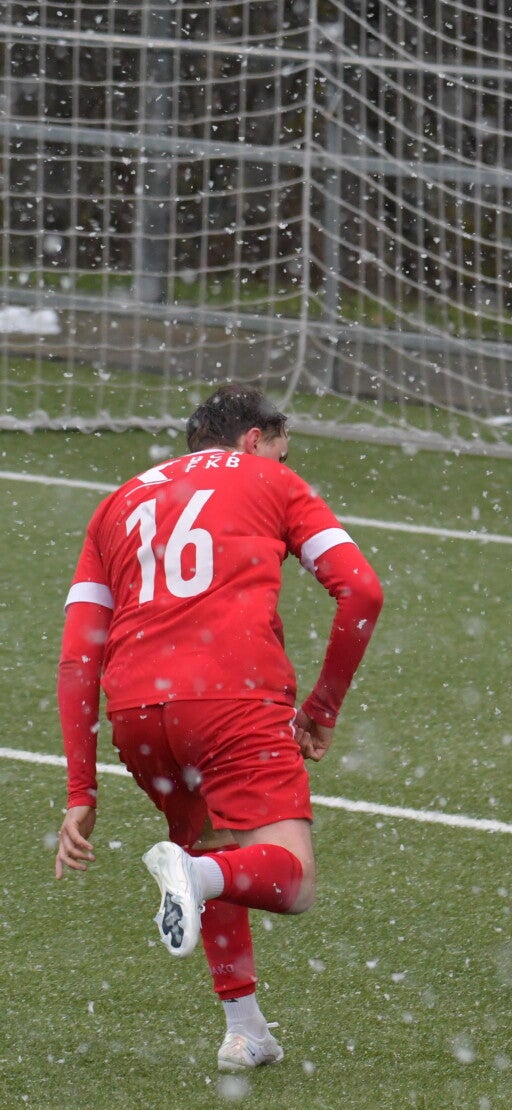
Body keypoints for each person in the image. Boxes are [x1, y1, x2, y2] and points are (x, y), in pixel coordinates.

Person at [53, 385, 384, 1070]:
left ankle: (245, 1030)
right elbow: (362, 590)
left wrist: (81, 790)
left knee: (213, 846)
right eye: (283, 452)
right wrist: (321, 708)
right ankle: (195, 878)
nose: (286, 463)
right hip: (232, 697)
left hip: (138, 711)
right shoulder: (271, 480)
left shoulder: (118, 501)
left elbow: (78, 657)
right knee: (291, 881)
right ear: (254, 441)